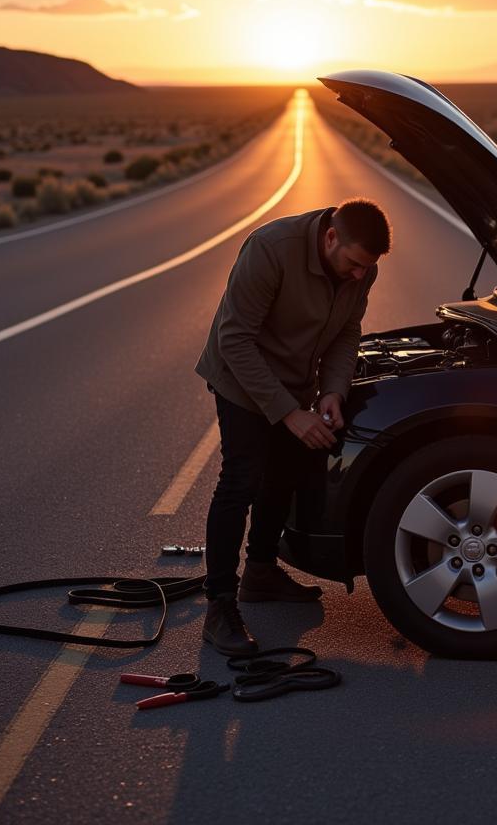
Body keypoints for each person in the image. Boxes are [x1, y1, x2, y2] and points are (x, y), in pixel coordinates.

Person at [195, 198, 391, 655]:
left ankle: (260, 572)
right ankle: (219, 605)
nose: (361, 275)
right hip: (241, 378)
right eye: (355, 263)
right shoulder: (270, 248)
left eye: (368, 267)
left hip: (297, 383)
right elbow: (234, 339)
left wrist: (333, 391)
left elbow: (347, 332)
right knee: (241, 478)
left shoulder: (363, 268)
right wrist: (289, 414)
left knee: (284, 472)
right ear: (330, 238)